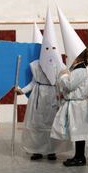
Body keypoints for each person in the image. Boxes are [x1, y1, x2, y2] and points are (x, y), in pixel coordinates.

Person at [17, 15, 71, 160]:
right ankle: (37, 150)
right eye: (47, 48)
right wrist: (22, 90)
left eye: (53, 47)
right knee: (37, 124)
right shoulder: (36, 65)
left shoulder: (61, 66)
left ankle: (51, 150)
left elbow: (65, 83)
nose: (50, 50)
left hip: (54, 96)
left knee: (52, 123)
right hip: (39, 97)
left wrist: (64, 94)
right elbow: (34, 82)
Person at [51, 7, 88, 167]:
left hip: (78, 105)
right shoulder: (77, 69)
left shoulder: (80, 70)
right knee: (76, 131)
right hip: (75, 105)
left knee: (79, 132)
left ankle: (80, 157)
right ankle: (78, 156)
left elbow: (69, 85)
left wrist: (63, 75)